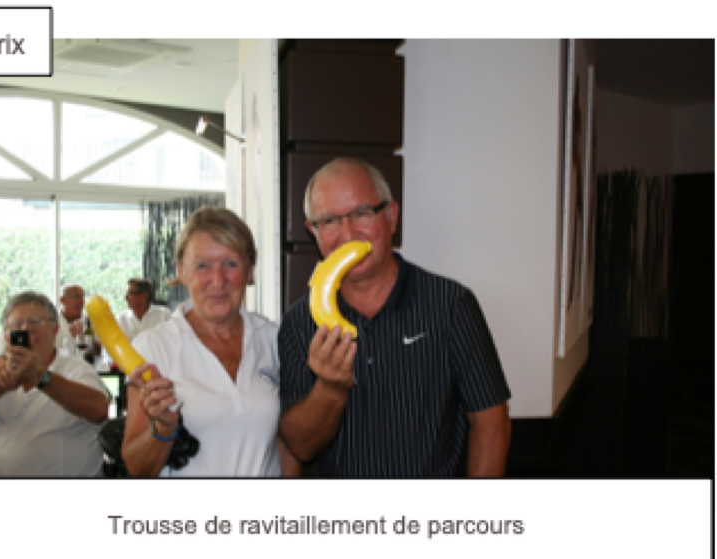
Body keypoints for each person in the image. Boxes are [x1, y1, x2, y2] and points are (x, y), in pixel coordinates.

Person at [278, 158, 512, 477]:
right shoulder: (298, 323)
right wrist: (330, 389)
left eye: (362, 213)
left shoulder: (451, 305)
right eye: (329, 220)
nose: (348, 234)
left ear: (391, 216)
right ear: (313, 231)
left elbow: (491, 421)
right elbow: (301, 446)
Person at [122, 207, 300, 477]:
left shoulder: (273, 338)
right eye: (202, 266)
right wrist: (163, 429)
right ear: (182, 271)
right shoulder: (154, 347)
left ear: (250, 270)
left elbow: (286, 443)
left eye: (231, 264)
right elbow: (137, 468)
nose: (218, 281)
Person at [0, 291, 110, 477]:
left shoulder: (75, 369)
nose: (26, 329)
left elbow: (99, 410)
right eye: (17, 324)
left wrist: (41, 377)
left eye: (35, 322)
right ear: (7, 336)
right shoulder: (0, 375)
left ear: (55, 330)